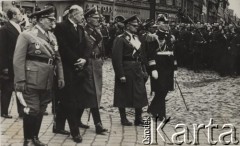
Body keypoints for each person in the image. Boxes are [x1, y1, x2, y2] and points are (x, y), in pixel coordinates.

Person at [13, 6, 64, 146]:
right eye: (50, 20)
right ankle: (28, 140)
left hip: (47, 80)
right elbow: (18, 59)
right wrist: (20, 79)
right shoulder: (27, 35)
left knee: (41, 109)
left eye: (53, 19)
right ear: (41, 20)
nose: (53, 22)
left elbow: (57, 59)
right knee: (32, 109)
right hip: (31, 79)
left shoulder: (52, 36)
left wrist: (60, 77)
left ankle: (35, 137)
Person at [54, 5, 88, 142]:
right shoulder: (61, 26)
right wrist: (76, 60)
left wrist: (84, 59)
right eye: (80, 14)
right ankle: (75, 132)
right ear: (73, 14)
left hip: (79, 68)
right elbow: (62, 47)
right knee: (70, 100)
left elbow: (86, 46)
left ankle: (58, 125)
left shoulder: (80, 28)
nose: (82, 17)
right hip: (67, 67)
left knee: (67, 99)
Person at [75, 6, 107, 134]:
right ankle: (98, 124)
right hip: (88, 65)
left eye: (98, 18)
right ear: (88, 19)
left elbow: (102, 47)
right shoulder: (83, 31)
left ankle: (76, 119)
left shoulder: (97, 31)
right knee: (93, 93)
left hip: (97, 64)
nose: (98, 19)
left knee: (89, 94)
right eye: (95, 18)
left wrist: (102, 58)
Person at [112, 15, 148, 126]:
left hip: (137, 69)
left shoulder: (136, 38)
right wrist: (120, 74)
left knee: (139, 93)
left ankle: (138, 118)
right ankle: (123, 118)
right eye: (134, 25)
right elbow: (116, 58)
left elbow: (141, 56)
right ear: (128, 26)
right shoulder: (120, 38)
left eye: (137, 25)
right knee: (122, 93)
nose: (136, 27)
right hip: (126, 68)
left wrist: (144, 70)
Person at [146, 23, 176, 121]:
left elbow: (173, 54)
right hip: (158, 69)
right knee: (160, 90)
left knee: (165, 90)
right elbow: (150, 55)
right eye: (163, 33)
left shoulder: (169, 40)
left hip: (168, 69)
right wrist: (153, 68)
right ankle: (161, 114)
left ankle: (152, 109)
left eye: (166, 33)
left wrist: (175, 68)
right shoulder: (153, 40)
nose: (165, 35)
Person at [0, 7, 24, 119]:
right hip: (9, 64)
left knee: (20, 87)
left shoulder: (20, 27)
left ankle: (22, 111)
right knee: (7, 88)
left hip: (19, 63)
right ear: (14, 16)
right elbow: (2, 49)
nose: (21, 16)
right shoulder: (5, 29)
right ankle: (4, 111)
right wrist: (3, 66)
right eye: (19, 14)